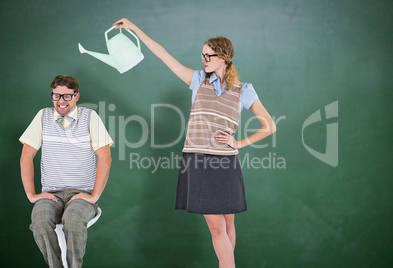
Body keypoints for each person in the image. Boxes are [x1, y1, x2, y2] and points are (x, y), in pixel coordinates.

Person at [113, 18, 277, 268]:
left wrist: (239, 143)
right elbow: (163, 55)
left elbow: (269, 126)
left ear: (223, 58)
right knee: (217, 228)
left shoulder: (244, 90)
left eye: (208, 56)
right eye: (202, 55)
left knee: (229, 224)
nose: (203, 59)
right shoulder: (197, 79)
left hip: (226, 164)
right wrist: (134, 29)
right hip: (198, 162)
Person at [19, 74, 113, 267]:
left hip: (81, 194)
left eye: (66, 96)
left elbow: (105, 157)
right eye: (56, 95)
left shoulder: (90, 117)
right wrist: (31, 194)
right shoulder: (43, 116)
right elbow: (26, 156)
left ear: (76, 96)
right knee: (40, 221)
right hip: (51, 194)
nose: (61, 101)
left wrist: (94, 195)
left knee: (72, 220)